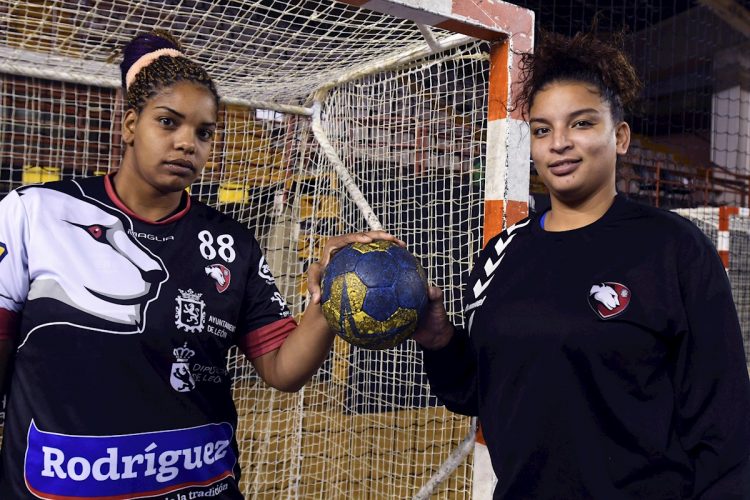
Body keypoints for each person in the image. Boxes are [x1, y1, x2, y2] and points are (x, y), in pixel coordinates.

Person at [314, 31, 750, 498]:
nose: (558, 143)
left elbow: (722, 424)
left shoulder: (675, 249)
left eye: (581, 124)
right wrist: (441, 341)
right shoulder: (500, 255)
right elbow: (480, 393)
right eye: (542, 130)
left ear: (620, 137)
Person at [0, 30, 396, 499]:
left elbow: (281, 369)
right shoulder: (35, 212)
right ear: (130, 124)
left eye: (204, 132)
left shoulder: (231, 241)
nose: (187, 143)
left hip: (199, 486)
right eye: (168, 123)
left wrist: (330, 294)